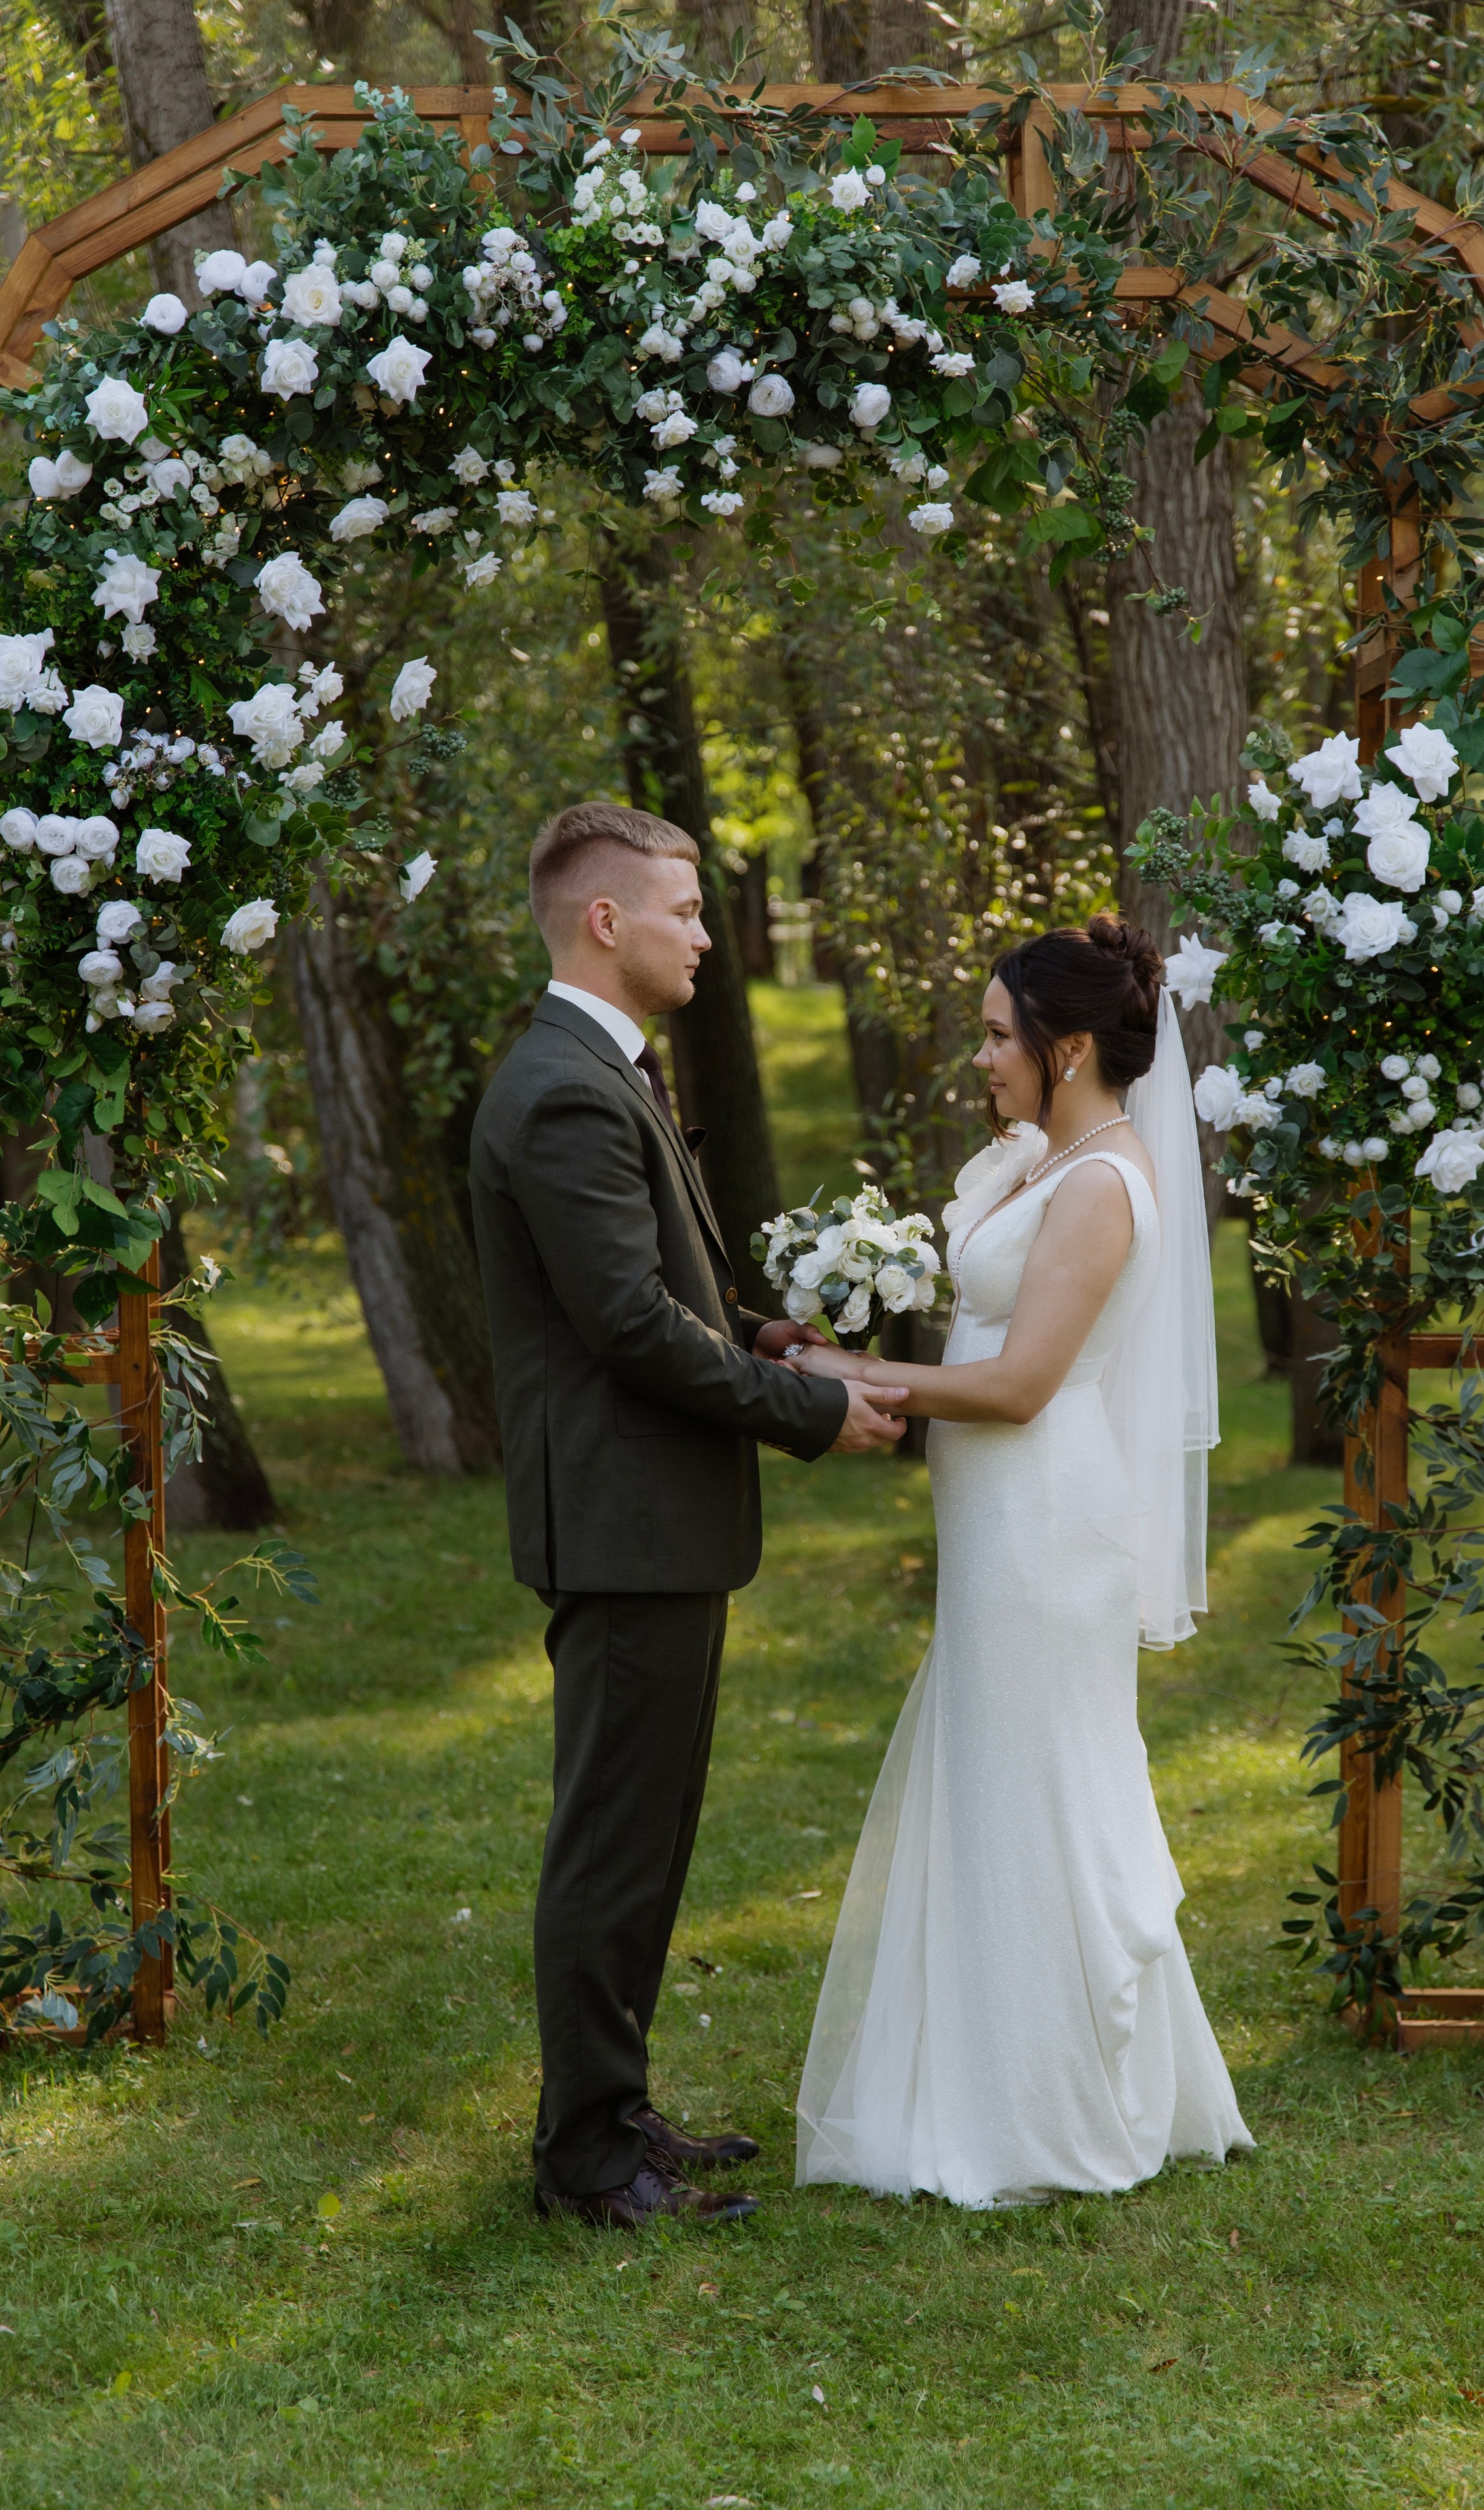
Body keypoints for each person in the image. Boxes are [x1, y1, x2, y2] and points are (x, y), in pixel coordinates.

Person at [469, 801, 909, 2231]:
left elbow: (672, 1296)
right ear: (606, 921)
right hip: (618, 1522)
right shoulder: (562, 1090)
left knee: (644, 1836)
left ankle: (616, 2112)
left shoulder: (603, 1075)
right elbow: (624, 1327)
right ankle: (587, 2163)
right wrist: (806, 1414)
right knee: (611, 1841)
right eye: (685, 911)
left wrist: (775, 1340)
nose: (709, 937)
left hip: (652, 1522)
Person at [789, 916, 1253, 2206]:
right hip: (996, 1529)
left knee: (1040, 1787)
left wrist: (851, 1373)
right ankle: (981, 2083)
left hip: (1046, 1530)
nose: (979, 1057)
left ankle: (1044, 2112)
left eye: (999, 1037)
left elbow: (1022, 1385)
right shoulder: (1055, 1159)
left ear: (1068, 1048)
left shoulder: (1103, 1185)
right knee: (998, 1782)